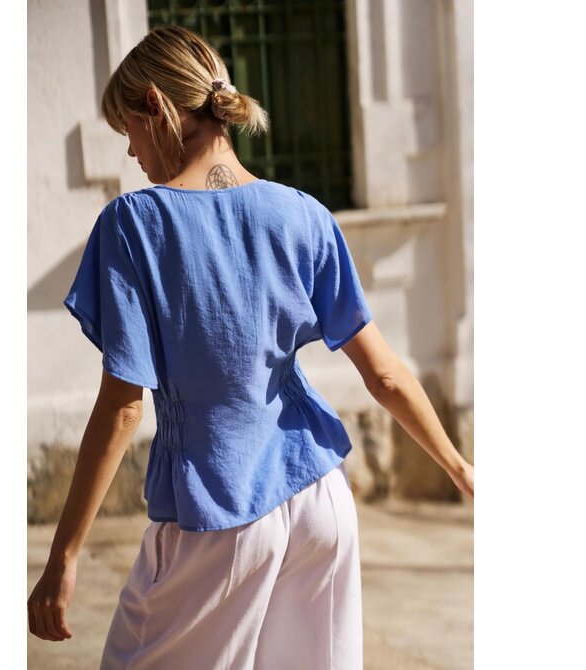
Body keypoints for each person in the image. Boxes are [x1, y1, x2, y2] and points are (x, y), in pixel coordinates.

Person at [27, 24, 474, 669]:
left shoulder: (134, 225)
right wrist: (459, 466)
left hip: (218, 509)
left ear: (156, 107)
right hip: (320, 501)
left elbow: (124, 408)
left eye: (128, 130)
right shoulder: (303, 213)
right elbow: (383, 375)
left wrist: (63, 556)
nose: (130, 152)